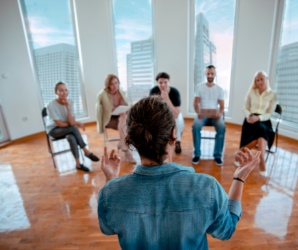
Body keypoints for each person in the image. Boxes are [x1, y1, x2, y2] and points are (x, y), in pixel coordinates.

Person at [97, 96, 261, 250]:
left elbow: (107, 227)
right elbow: (226, 230)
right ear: (173, 135)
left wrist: (111, 180)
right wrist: (239, 178)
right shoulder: (208, 188)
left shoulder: (109, 193)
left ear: (131, 141)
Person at [46, 82, 99, 172]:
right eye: (61, 90)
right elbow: (60, 124)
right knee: (73, 128)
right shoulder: (50, 105)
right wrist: (75, 123)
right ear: (56, 92)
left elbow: (71, 122)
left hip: (67, 129)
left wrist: (67, 107)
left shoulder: (70, 102)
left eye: (66, 90)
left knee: (71, 137)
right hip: (54, 130)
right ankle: (86, 151)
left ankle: (78, 164)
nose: (65, 92)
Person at [234, 71, 276, 177]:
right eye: (257, 80)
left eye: (262, 79)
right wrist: (249, 116)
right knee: (261, 133)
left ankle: (241, 153)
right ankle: (262, 163)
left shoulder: (272, 95)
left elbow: (270, 113)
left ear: (267, 79)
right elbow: (245, 108)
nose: (260, 81)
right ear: (255, 82)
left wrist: (259, 118)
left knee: (262, 130)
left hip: (264, 120)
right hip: (250, 119)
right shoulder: (251, 92)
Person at [96, 74, 136, 163]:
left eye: (116, 83)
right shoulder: (102, 94)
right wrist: (116, 111)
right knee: (125, 122)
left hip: (120, 117)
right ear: (108, 85)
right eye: (112, 84)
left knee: (124, 118)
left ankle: (122, 144)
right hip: (108, 119)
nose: (115, 86)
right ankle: (126, 150)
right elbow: (104, 110)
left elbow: (123, 106)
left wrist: (126, 108)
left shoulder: (120, 92)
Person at [192, 65, 225, 166]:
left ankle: (217, 155)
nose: (210, 75)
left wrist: (220, 113)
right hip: (202, 115)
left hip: (215, 115)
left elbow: (222, 106)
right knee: (195, 126)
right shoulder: (199, 87)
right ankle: (197, 154)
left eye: (212, 73)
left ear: (215, 74)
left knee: (222, 126)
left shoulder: (219, 89)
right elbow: (195, 103)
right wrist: (198, 112)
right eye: (208, 73)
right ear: (205, 73)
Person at [149, 72, 184, 154]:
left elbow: (176, 114)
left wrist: (167, 99)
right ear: (157, 83)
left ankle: (177, 141)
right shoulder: (154, 91)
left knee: (179, 121)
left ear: (169, 82)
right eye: (160, 83)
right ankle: (156, 143)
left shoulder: (175, 92)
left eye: (165, 82)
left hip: (173, 113)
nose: (163, 85)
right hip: (160, 114)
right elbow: (151, 110)